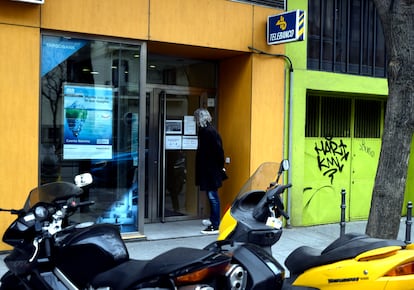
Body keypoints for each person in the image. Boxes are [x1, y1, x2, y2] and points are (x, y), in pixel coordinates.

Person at [194, 108, 225, 234]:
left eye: (196, 118)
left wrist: (219, 166)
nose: (195, 121)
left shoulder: (208, 132)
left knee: (212, 196)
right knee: (211, 195)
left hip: (211, 170)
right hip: (210, 170)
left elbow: (218, 151)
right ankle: (213, 219)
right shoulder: (207, 131)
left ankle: (215, 224)